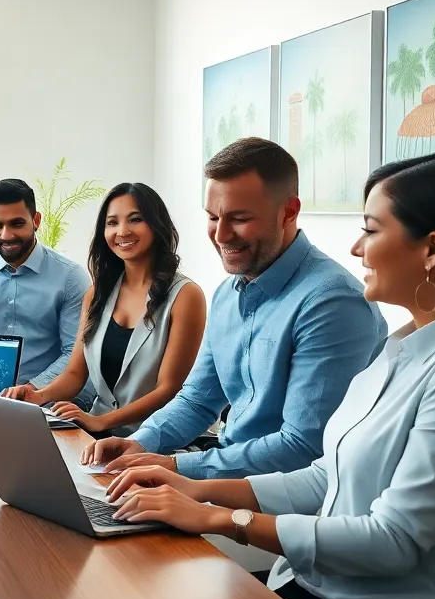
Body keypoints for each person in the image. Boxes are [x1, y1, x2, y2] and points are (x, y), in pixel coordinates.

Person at [105, 151, 435, 599]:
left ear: (432, 250)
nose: (356, 248)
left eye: (371, 230)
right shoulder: (406, 346)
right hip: (320, 586)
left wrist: (220, 516)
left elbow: (394, 540)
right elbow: (323, 477)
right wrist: (193, 487)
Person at [82, 138, 387, 479]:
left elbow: (303, 448)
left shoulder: (332, 302)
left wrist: (174, 466)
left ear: (288, 212)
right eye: (213, 217)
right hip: (227, 479)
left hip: (287, 506)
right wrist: (140, 444)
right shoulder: (228, 294)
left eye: (239, 218)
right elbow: (198, 399)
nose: (221, 235)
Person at [4, 183, 207, 436]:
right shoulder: (97, 293)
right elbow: (76, 374)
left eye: (136, 219)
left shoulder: (186, 296)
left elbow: (168, 390)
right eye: (112, 223)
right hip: (95, 436)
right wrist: (38, 395)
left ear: (157, 225)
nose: (122, 231)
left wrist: (104, 420)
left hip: (153, 439)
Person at [0, 179, 93, 404]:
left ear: (36, 220)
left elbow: (75, 354)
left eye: (16, 223)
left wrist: (31, 390)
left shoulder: (70, 277)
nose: (6, 235)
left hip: (51, 399)